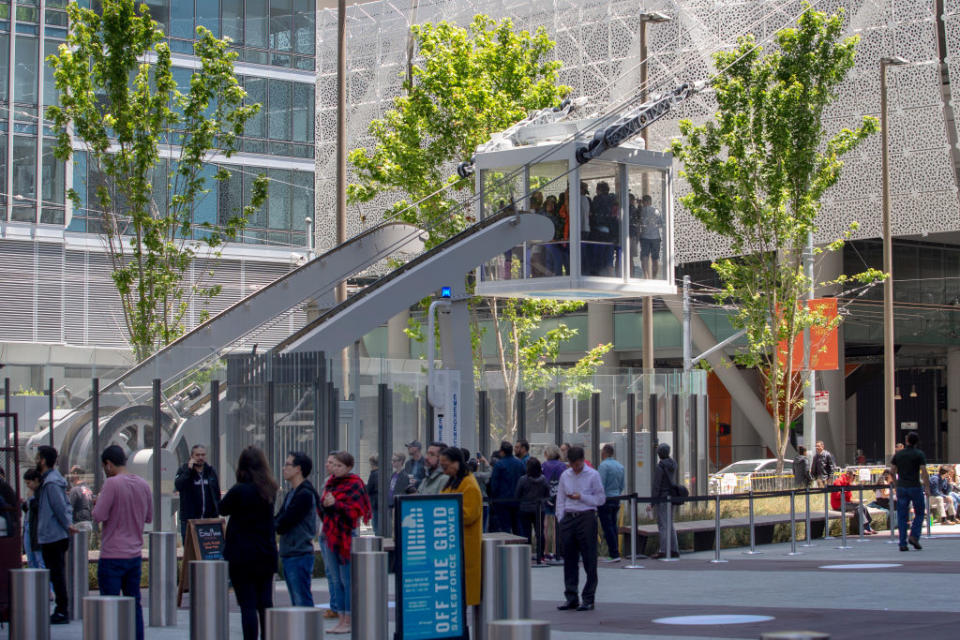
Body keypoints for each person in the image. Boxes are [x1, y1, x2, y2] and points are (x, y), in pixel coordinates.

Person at [92, 445, 153, 640]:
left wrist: (100, 500)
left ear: (108, 465)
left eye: (104, 467)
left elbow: (98, 515)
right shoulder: (143, 484)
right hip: (134, 555)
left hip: (112, 555)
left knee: (109, 606)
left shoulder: (111, 484)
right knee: (134, 604)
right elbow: (149, 517)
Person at [220, 446, 279, 640]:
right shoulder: (270, 489)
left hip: (241, 554)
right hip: (265, 552)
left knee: (247, 604)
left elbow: (222, 508)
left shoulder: (239, 490)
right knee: (265, 603)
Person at [319, 451, 371, 635]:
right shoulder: (330, 483)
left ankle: (348, 619)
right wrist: (325, 504)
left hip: (346, 536)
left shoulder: (355, 484)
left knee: (346, 579)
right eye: (334, 465)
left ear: (349, 467)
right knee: (335, 579)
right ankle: (341, 618)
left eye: (339, 465)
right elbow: (322, 509)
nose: (335, 468)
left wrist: (335, 505)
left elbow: (354, 513)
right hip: (329, 534)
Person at [555, 446, 605, 612]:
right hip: (569, 517)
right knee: (569, 559)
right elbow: (560, 498)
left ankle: (588, 598)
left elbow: (600, 499)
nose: (575, 468)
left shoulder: (593, 475)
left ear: (583, 461)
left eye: (577, 464)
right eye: (572, 464)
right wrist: (560, 518)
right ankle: (571, 596)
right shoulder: (565, 475)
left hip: (586, 517)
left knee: (589, 558)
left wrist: (581, 497)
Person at [274, 451, 320, 607]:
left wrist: (275, 525)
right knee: (297, 598)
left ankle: (307, 631)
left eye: (288, 464)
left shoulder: (304, 494)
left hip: (299, 552)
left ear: (298, 469)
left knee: (301, 599)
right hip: (291, 551)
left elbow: (285, 521)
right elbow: (279, 518)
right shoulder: (292, 493)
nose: (284, 468)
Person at [439, 447, 482, 610]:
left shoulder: (469, 484)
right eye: (442, 466)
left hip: (464, 546)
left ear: (457, 463)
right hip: (454, 544)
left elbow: (469, 515)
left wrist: (443, 510)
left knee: (461, 594)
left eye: (446, 465)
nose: (444, 470)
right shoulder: (453, 480)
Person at [35, 445, 72, 624]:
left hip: (54, 536)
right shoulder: (49, 481)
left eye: (37, 457)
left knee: (57, 574)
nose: (35, 460)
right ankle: (61, 609)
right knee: (55, 573)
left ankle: (62, 610)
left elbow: (59, 507)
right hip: (52, 534)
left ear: (43, 460)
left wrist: (68, 526)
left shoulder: (51, 483)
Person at [890, 431, 929, 552]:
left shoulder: (898, 455)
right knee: (920, 513)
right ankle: (914, 536)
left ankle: (902, 543)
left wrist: (896, 486)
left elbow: (892, 471)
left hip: (902, 487)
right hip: (915, 486)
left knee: (902, 515)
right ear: (917, 442)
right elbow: (923, 471)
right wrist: (927, 487)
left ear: (907, 441)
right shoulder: (919, 454)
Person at [174, 444, 221, 544]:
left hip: (208, 521)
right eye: (197, 455)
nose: (200, 457)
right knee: (190, 551)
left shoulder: (210, 471)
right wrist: (188, 470)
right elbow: (178, 485)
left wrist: (216, 511)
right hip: (190, 521)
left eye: (203, 455)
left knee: (207, 550)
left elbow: (216, 492)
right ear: (192, 456)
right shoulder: (184, 470)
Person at [515, 458, 549, 561]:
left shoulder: (523, 479)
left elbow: (517, 494)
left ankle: (527, 555)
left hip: (525, 509)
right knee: (540, 533)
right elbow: (547, 494)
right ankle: (541, 555)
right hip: (539, 509)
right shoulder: (543, 479)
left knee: (526, 532)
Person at [650, 443, 680, 559]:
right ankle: (674, 549)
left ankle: (663, 550)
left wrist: (653, 501)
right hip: (671, 497)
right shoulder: (673, 464)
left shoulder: (660, 467)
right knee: (670, 523)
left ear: (659, 454)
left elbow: (656, 485)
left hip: (662, 498)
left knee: (663, 525)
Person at [489, 441, 524, 534]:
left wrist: (493, 499)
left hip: (502, 501)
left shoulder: (499, 464)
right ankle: (519, 545)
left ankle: (507, 547)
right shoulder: (520, 463)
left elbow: (494, 484)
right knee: (517, 526)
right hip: (517, 500)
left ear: (502, 452)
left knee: (505, 527)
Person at [597, 444, 625, 562]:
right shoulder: (620, 466)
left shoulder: (603, 466)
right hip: (616, 498)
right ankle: (615, 552)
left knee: (607, 527)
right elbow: (622, 485)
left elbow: (600, 484)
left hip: (605, 499)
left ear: (604, 453)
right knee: (613, 525)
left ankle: (613, 554)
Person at [541, 445, 567, 563]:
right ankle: (557, 551)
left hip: (546, 496)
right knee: (558, 525)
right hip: (559, 497)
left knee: (545, 526)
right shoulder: (563, 466)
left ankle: (545, 552)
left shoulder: (544, 465)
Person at [830, 469, 876, 535]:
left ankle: (867, 526)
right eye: (853, 475)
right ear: (848, 474)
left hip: (847, 503)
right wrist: (845, 492)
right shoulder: (839, 481)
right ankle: (863, 528)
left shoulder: (848, 483)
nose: (854, 478)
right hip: (838, 504)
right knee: (858, 507)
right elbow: (836, 496)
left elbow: (850, 498)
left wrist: (859, 500)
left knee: (862, 506)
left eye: (855, 476)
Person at [638, 194, 663, 278]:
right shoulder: (656, 211)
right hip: (656, 237)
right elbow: (660, 224)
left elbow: (640, 223)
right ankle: (654, 278)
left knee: (644, 256)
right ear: (650, 201)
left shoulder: (642, 211)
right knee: (655, 258)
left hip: (645, 237)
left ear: (644, 202)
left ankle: (646, 276)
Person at [68, 466, 94, 532]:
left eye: (71, 473)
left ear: (75, 474)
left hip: (78, 525)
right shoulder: (89, 489)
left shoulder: (75, 490)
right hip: (89, 524)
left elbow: (69, 508)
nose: (69, 475)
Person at [366, 454, 380, 533]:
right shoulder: (381, 473)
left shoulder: (374, 474)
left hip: (375, 504)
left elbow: (369, 489)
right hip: (378, 504)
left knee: (376, 526)